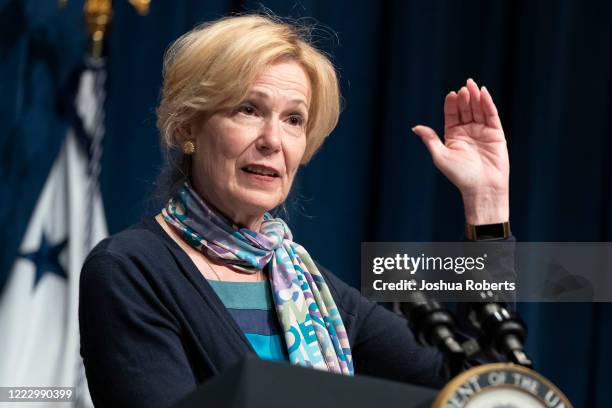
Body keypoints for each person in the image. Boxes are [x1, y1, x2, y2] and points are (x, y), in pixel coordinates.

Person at [79, 14, 512, 407]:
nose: (273, 140)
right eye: (248, 109)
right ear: (188, 125)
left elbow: (482, 384)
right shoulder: (128, 270)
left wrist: (487, 201)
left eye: (294, 120)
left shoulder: (311, 290)